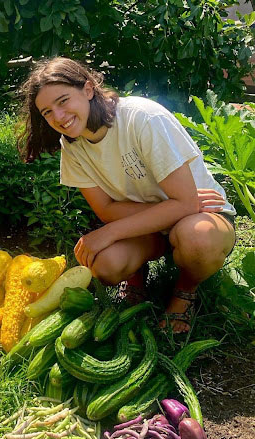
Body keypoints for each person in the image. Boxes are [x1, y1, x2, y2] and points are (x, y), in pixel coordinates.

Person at [17, 57, 236, 333]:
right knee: (104, 265)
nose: (58, 117)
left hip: (202, 215)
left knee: (199, 240)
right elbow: (106, 209)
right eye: (47, 112)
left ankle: (185, 292)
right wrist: (172, 208)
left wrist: (112, 232)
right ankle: (136, 277)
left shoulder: (141, 118)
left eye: (63, 101)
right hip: (164, 221)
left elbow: (183, 204)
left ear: (87, 89)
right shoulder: (72, 145)